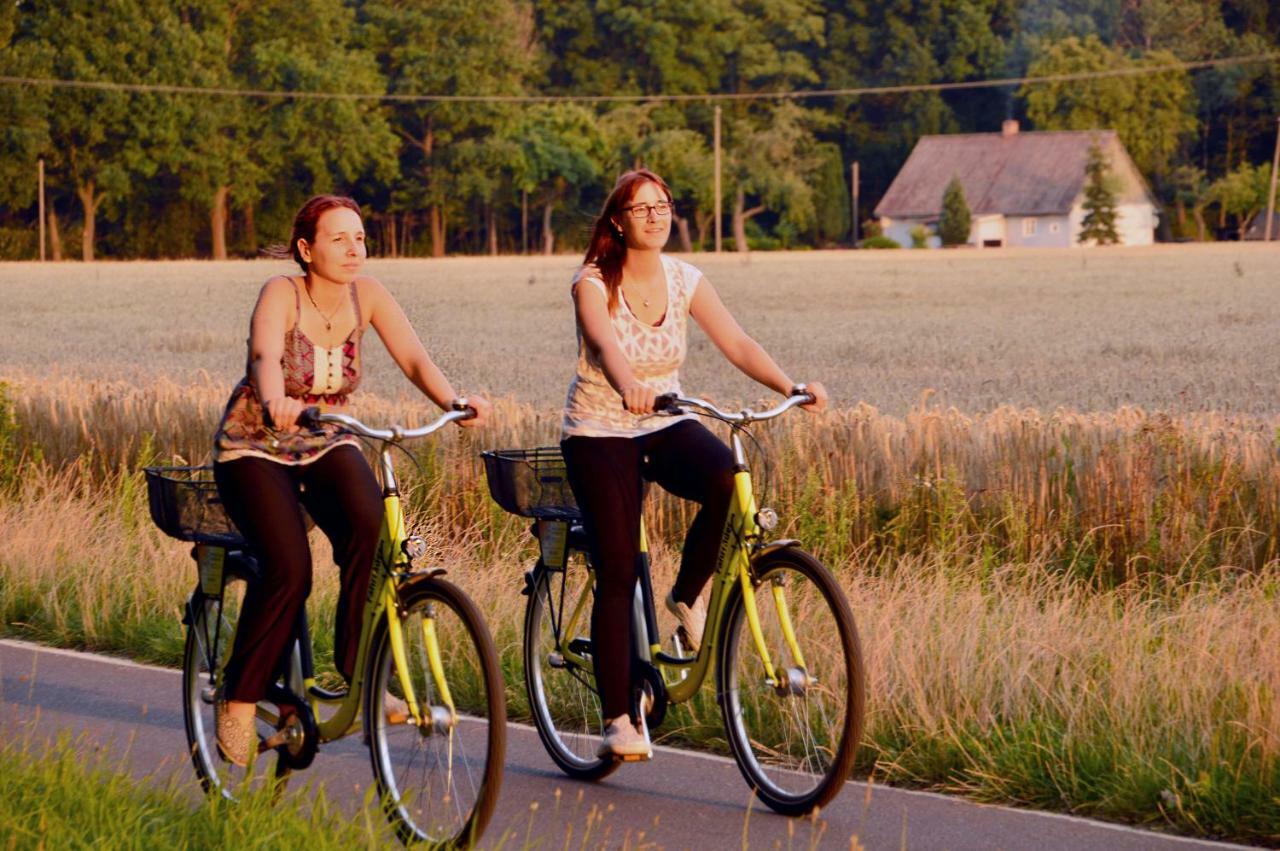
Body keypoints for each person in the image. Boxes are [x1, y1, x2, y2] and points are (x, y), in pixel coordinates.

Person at [210, 194, 491, 765]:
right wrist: (275, 400)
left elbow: (414, 359)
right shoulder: (280, 293)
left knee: (374, 530)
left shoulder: (371, 296)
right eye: (338, 239)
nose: (353, 249)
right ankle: (239, 699)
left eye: (359, 237)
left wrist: (453, 400)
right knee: (290, 566)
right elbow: (265, 355)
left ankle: (358, 668)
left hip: (327, 435)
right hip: (256, 444)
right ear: (307, 249)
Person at [560, 169, 828, 759]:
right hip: (601, 429)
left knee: (730, 482)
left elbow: (737, 342)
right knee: (619, 566)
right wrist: (628, 383)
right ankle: (618, 719)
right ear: (618, 221)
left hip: (664, 420)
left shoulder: (685, 279)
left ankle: (686, 595)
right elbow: (605, 346)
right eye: (642, 208)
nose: (656, 216)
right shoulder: (593, 283)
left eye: (663, 206)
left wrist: (791, 384)